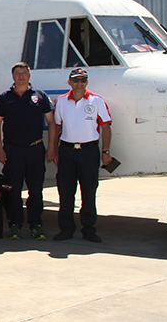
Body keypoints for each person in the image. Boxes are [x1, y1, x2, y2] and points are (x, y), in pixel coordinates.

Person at [0, 62, 56, 240]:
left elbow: (51, 122)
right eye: (17, 73)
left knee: (36, 189)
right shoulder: (5, 98)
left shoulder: (40, 96)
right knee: (13, 189)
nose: (21, 76)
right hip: (13, 151)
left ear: (29, 76)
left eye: (24, 73)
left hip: (35, 149)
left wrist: (51, 148)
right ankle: (14, 224)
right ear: (13, 77)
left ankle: (36, 224)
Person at [48, 68, 111, 243]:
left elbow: (106, 127)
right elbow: (57, 126)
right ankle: (66, 229)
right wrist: (53, 149)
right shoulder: (61, 102)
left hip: (89, 151)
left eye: (83, 80)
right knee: (66, 192)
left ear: (87, 82)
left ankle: (89, 229)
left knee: (89, 191)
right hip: (67, 151)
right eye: (76, 80)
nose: (79, 83)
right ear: (69, 82)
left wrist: (106, 151)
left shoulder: (96, 100)